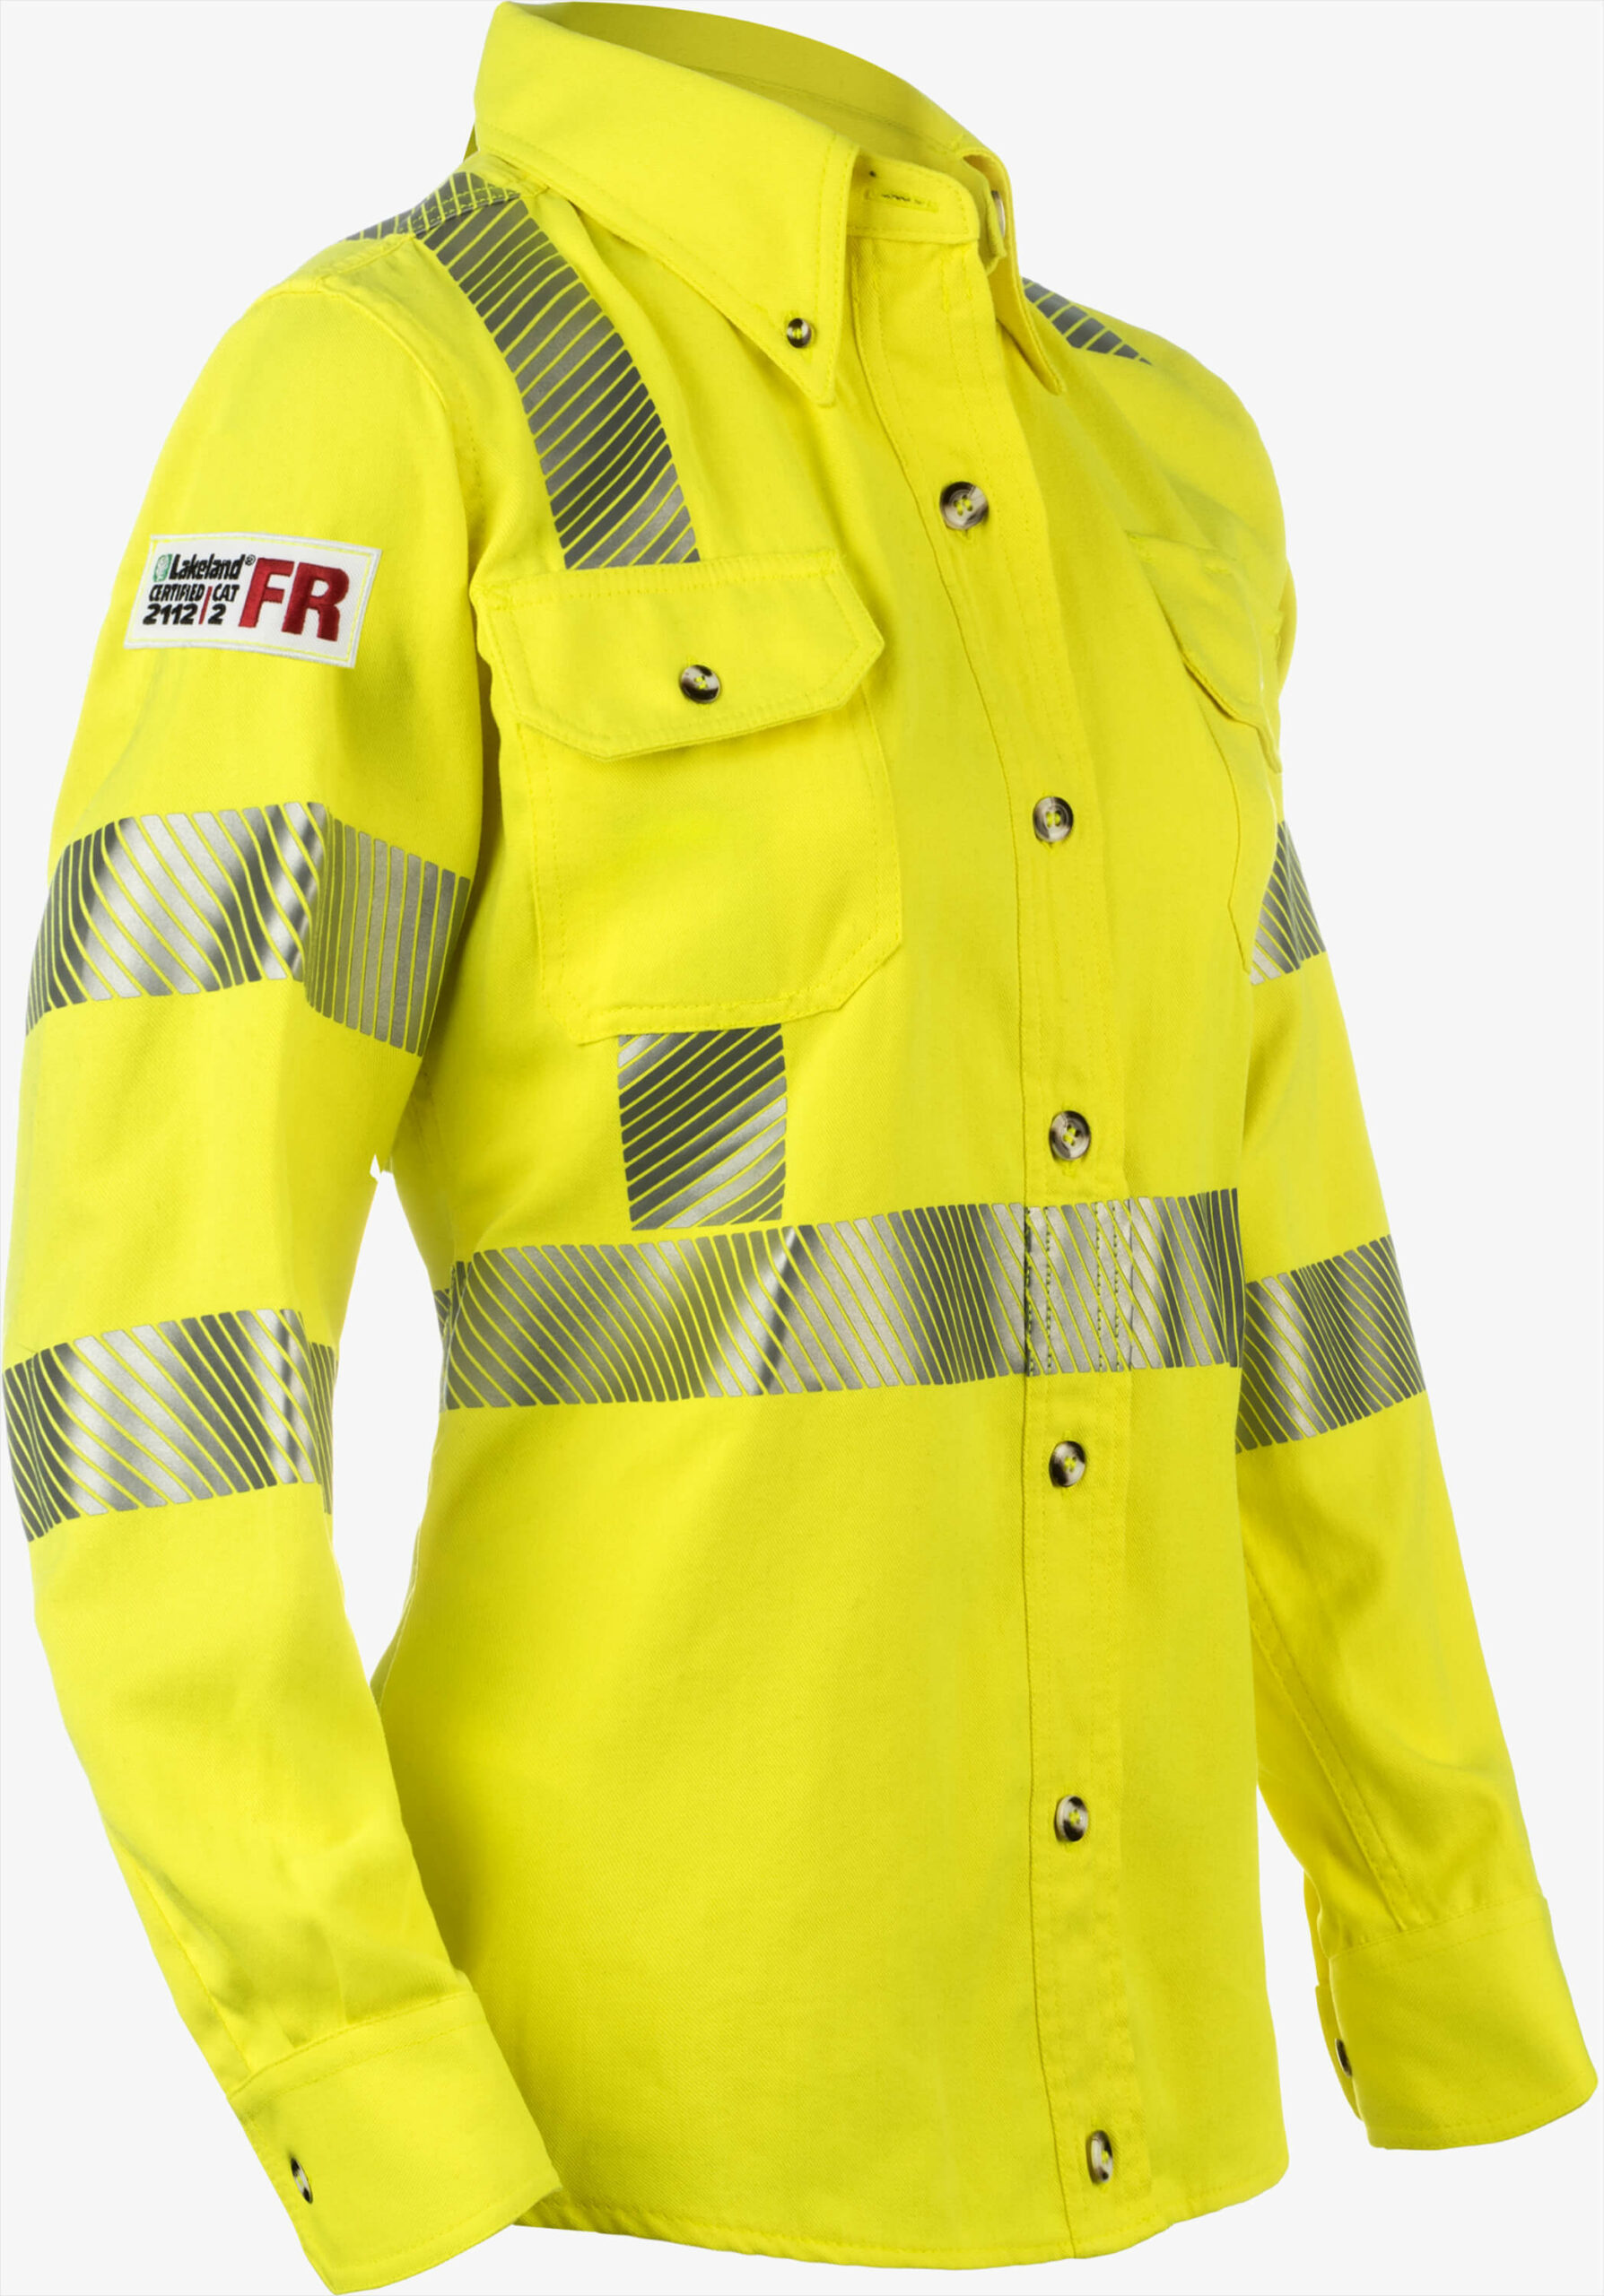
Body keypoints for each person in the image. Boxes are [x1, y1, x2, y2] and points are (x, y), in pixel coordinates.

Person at [4, 6, 1593, 2291]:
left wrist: (1439, 1949)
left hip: (1171, 2121)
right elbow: (145, 1328)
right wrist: (347, 2052)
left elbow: (1300, 1287)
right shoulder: (381, 383)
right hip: (604, 2134)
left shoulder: (1166, 446)